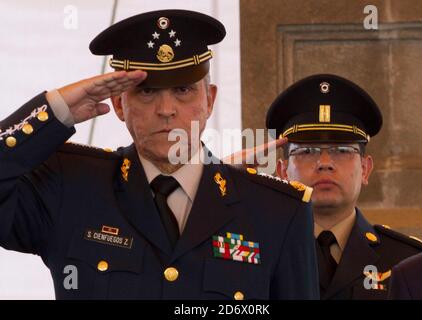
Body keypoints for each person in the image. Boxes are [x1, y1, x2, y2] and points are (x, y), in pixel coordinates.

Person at [0, 9, 318, 299]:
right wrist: (54, 111)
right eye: (147, 91)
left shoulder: (276, 211)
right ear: (120, 105)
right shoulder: (69, 187)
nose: (166, 110)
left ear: (209, 99)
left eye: (183, 90)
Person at [264, 74, 422, 299]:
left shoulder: (408, 261)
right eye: (306, 151)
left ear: (365, 168)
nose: (324, 163)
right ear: (283, 172)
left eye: (341, 151)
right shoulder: (259, 255)